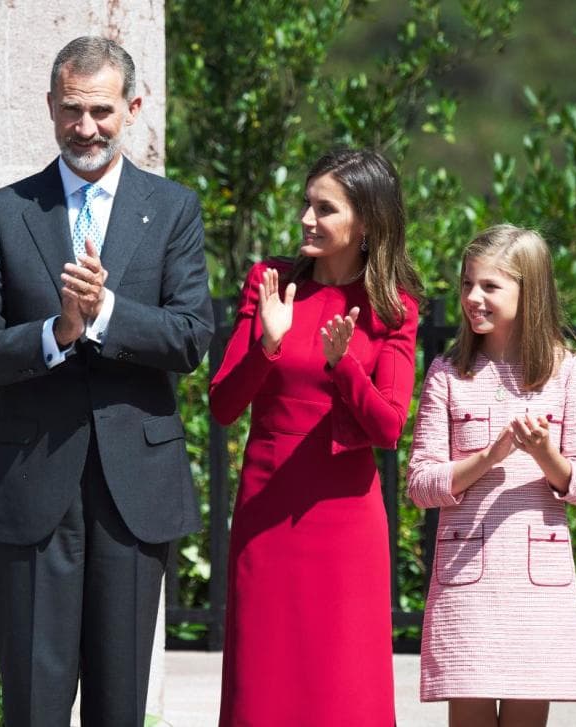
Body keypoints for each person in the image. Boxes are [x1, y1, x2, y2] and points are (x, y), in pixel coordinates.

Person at [0, 36, 213, 726]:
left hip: (134, 493)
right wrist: (57, 332)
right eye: (71, 109)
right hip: (33, 486)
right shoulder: (5, 213)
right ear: (49, 107)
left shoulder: (172, 208)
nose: (85, 127)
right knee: (32, 701)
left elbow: (189, 339)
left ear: (132, 108)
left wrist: (105, 314)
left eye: (100, 110)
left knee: (119, 701)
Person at [209, 148, 422, 725]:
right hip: (267, 509)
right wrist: (269, 345)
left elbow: (388, 427)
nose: (307, 217)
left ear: (367, 224)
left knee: (343, 688)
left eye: (324, 208)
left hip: (345, 522)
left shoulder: (394, 307)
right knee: (264, 683)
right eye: (306, 202)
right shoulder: (270, 283)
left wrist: (343, 364)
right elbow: (224, 405)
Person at [407, 224, 576, 726]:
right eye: (469, 283)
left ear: (529, 291)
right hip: (466, 580)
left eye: (490, 286)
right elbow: (420, 485)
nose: (473, 297)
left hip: (539, 587)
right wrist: (488, 458)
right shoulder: (447, 373)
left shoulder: (567, 370)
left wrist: (544, 454)